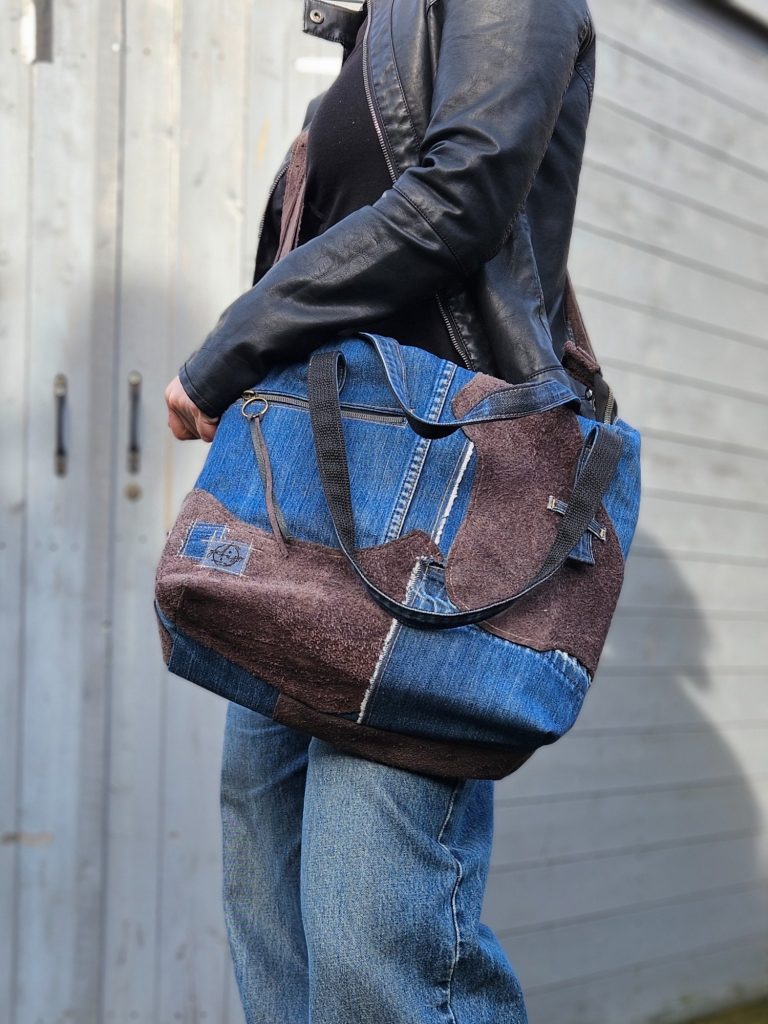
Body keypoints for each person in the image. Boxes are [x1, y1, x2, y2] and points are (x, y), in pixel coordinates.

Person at [165, 1, 597, 1020]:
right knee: (276, 923)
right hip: (318, 508)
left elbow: (467, 189)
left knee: (377, 951)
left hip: (436, 505)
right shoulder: (371, 41)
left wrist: (231, 345)